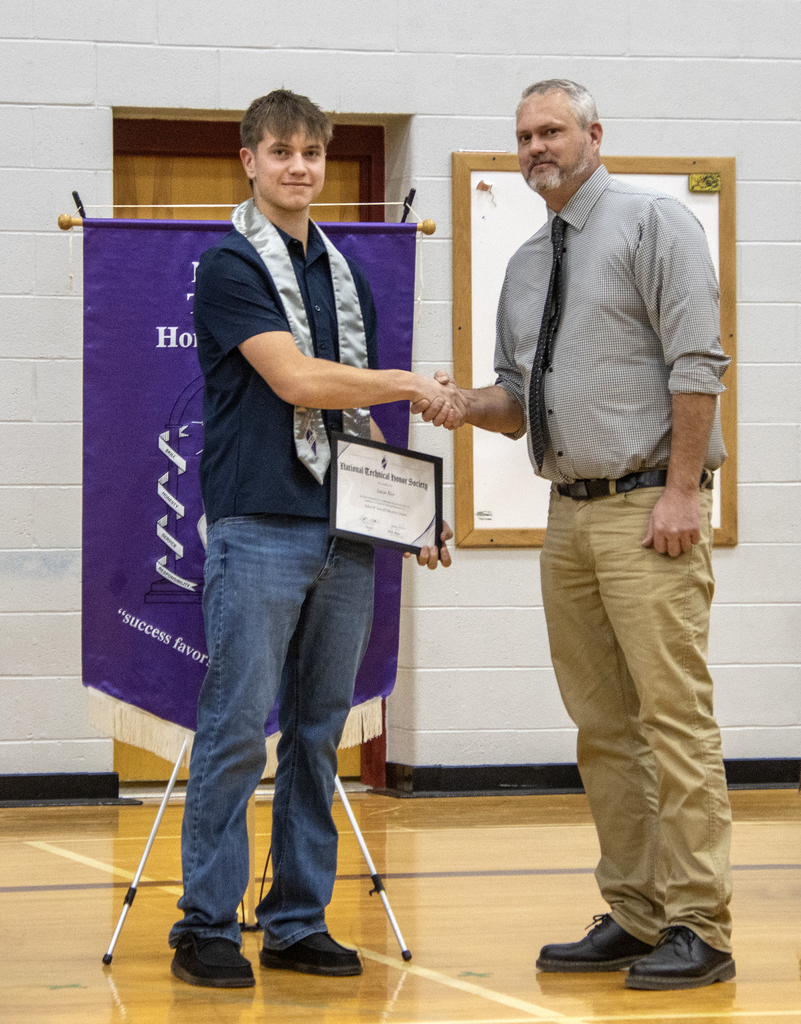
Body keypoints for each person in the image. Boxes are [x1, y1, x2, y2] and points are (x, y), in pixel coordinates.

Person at [419, 79, 734, 991]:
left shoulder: (652, 223)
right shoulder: (524, 261)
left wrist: (681, 492)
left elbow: (696, 363)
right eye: (522, 136)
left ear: (595, 135)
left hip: (650, 511)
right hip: (570, 518)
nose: (535, 148)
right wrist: (460, 403)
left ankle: (700, 927)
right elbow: (518, 404)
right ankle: (638, 915)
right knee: (601, 727)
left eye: (551, 131)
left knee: (672, 720)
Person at [169, 89, 461, 988]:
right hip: (259, 527)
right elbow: (299, 382)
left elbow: (354, 417)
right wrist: (411, 381)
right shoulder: (227, 265)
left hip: (343, 533)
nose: (299, 167)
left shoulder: (344, 272)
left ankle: (296, 920)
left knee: (317, 732)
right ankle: (206, 926)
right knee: (232, 730)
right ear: (249, 161)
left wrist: (413, 509)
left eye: (312, 154)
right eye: (281, 152)